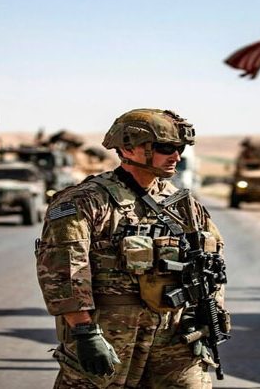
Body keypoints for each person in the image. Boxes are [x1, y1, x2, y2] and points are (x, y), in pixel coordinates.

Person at [35, 108, 228, 388]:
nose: (176, 156)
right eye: (165, 148)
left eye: (180, 148)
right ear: (128, 149)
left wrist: (207, 316)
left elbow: (212, 263)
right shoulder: (84, 202)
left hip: (175, 337)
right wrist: (85, 332)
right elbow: (63, 271)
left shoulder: (184, 204)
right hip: (110, 334)